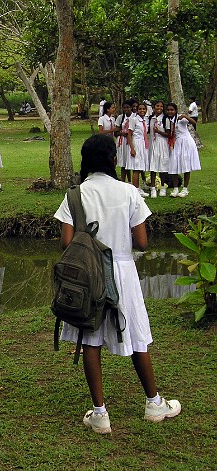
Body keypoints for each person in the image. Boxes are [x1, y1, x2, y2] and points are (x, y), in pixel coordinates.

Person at [54, 134, 181, 434]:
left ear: (85, 161)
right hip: (122, 271)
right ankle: (154, 402)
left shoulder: (75, 195)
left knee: (91, 338)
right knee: (137, 336)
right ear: (113, 159)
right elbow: (142, 242)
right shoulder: (129, 192)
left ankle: (100, 414)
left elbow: (66, 243)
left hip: (88, 276)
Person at [166, 102, 201, 198]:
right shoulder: (168, 120)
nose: (170, 111)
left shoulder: (181, 118)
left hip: (185, 142)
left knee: (186, 165)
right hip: (176, 143)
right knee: (174, 165)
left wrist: (185, 116)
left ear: (175, 110)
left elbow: (194, 123)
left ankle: (185, 188)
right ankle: (176, 188)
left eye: (172, 110)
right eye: (168, 110)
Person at [127, 102, 150, 197]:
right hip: (136, 143)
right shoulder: (134, 120)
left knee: (140, 167)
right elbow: (129, 134)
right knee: (136, 168)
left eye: (144, 109)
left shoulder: (144, 120)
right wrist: (132, 148)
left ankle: (138, 187)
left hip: (143, 144)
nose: (142, 110)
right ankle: (135, 190)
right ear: (137, 110)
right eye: (140, 109)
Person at [147, 100, 169, 198]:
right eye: (157, 106)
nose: (159, 108)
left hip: (162, 144)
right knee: (153, 165)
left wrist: (158, 131)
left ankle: (163, 186)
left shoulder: (165, 119)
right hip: (153, 143)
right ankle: (153, 188)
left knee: (162, 165)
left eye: (161, 106)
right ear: (154, 107)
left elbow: (168, 134)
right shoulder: (151, 118)